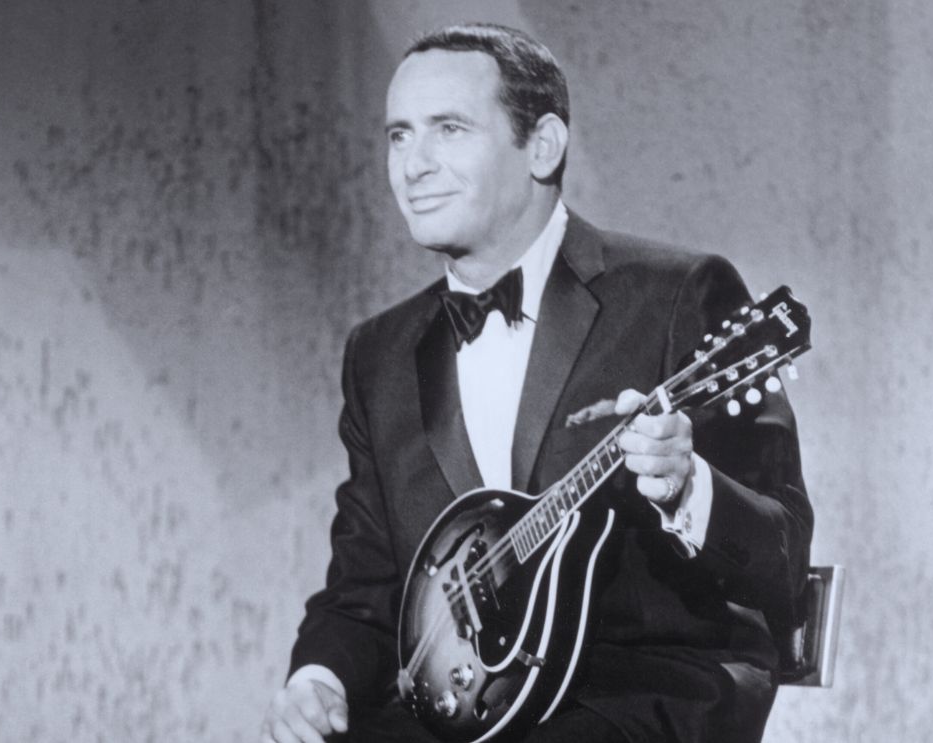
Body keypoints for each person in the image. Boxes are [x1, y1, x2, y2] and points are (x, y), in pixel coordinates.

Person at [264, 22, 812, 743]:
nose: (413, 164)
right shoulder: (380, 352)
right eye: (398, 135)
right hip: (463, 715)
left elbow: (783, 550)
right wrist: (318, 677)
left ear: (543, 146)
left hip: (638, 695)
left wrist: (686, 485)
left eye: (448, 129)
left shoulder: (676, 294)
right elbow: (365, 585)